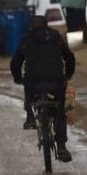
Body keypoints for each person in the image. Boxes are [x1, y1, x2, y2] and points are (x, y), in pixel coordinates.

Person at [10, 15, 75, 162]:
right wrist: (68, 75)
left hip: (33, 81)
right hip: (56, 80)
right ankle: (62, 146)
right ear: (47, 25)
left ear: (31, 27)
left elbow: (15, 61)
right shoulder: (56, 37)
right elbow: (70, 57)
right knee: (59, 110)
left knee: (29, 92)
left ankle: (30, 117)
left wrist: (17, 77)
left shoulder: (27, 39)